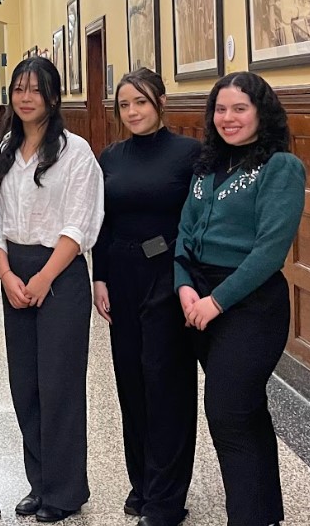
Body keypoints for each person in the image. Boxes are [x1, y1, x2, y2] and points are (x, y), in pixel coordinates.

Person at [174, 71, 306, 526]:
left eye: (240, 108)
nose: (228, 118)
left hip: (250, 304)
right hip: (198, 295)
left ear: (261, 112)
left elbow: (270, 251)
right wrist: (185, 286)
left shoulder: (280, 167)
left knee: (227, 409)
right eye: (221, 109)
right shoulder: (208, 164)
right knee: (247, 410)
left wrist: (216, 302)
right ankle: (265, 513)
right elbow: (183, 235)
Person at [0, 57, 104, 523]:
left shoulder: (76, 152)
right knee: (25, 385)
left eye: (35, 89)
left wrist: (45, 276)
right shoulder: (0, 152)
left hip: (61, 272)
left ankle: (65, 490)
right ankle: (39, 482)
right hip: (15, 271)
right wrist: (7, 275)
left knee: (60, 385)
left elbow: (79, 222)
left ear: (53, 97)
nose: (26, 97)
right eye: (18, 89)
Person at [91, 68, 199, 526]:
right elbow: (102, 221)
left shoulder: (190, 154)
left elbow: (198, 222)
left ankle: (167, 498)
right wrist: (100, 278)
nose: (132, 112)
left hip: (169, 275)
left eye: (141, 102)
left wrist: (187, 280)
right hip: (121, 273)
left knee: (167, 384)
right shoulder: (110, 156)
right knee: (131, 383)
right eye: (125, 105)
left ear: (160, 102)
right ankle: (143, 483)